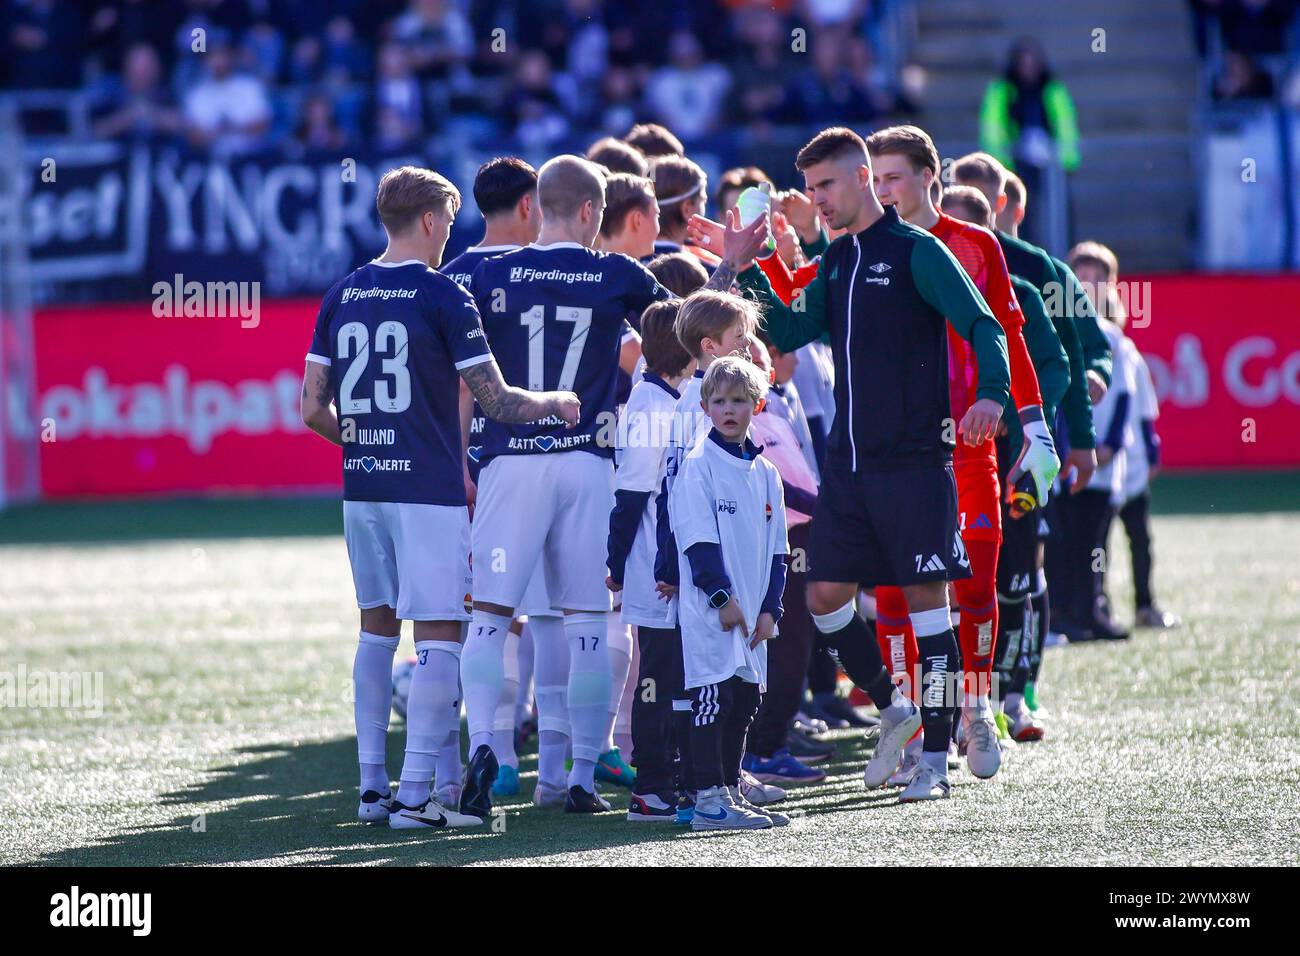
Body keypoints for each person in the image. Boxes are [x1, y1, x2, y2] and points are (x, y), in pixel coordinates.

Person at [459, 156, 760, 818]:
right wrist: (731, 263)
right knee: (589, 621)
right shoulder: (613, 272)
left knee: (489, 616)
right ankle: (580, 775)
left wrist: (457, 454)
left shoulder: (487, 271)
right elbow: (685, 331)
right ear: (594, 213)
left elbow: (446, 347)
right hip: (589, 464)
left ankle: (485, 744)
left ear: (538, 207)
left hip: (509, 459)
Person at [726, 127, 1015, 802]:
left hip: (915, 467)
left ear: (864, 178)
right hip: (847, 472)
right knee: (823, 597)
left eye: (826, 185)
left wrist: (993, 397)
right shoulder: (836, 260)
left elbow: (986, 325)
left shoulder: (920, 251)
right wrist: (744, 264)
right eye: (809, 189)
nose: (817, 200)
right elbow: (791, 331)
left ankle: (936, 761)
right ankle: (895, 707)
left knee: (928, 613)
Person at [300, 165, 578, 829]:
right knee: (441, 636)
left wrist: (367, 448)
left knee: (374, 629)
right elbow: (498, 401)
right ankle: (417, 795)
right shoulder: (443, 294)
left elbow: (310, 408)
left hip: (362, 490)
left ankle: (373, 789)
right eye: (449, 223)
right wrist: (559, 402)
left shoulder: (341, 294)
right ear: (430, 221)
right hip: (426, 492)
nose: (449, 235)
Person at [864, 124, 1059, 782]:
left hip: (969, 446)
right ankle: (909, 717)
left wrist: (1035, 426)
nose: (882, 189)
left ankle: (974, 706)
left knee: (973, 582)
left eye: (892, 176)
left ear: (928, 176)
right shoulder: (860, 247)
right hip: (892, 450)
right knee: (893, 589)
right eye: (876, 178)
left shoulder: (977, 245)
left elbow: (1007, 337)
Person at [941, 185, 1070, 743]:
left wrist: (1035, 433)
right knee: (940, 587)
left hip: (1004, 460)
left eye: (970, 248)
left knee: (1013, 579)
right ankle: (952, 711)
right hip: (935, 462)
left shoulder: (1022, 289)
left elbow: (1057, 365)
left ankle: (1015, 698)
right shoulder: (917, 288)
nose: (961, 260)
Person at [671, 356, 790, 831]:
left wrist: (770, 609)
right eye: (719, 401)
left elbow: (779, 552)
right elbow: (698, 542)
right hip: (714, 612)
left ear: (756, 405)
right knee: (712, 697)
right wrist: (722, 600)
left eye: (739, 401)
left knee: (743, 700)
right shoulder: (699, 467)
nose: (729, 409)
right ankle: (706, 799)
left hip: (753, 618)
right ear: (704, 407)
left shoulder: (767, 475)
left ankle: (728, 789)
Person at [606, 300, 695, 821]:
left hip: (672, 567)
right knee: (657, 675)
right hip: (653, 570)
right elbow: (633, 495)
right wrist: (619, 566)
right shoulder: (648, 405)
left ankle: (677, 777)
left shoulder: (672, 398)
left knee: (677, 672)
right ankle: (651, 786)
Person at [1068, 242, 1180, 631]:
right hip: (1085, 459)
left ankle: (1144, 604)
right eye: (1080, 277)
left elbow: (1138, 400)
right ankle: (1094, 606)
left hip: (1120, 460)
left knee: (1138, 536)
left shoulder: (1119, 342)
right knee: (1091, 539)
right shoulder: (1062, 333)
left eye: (1097, 279)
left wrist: (1145, 447)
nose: (1087, 286)